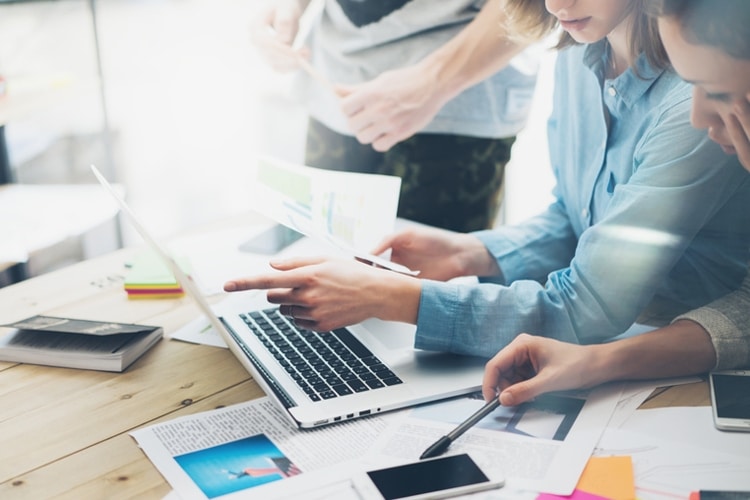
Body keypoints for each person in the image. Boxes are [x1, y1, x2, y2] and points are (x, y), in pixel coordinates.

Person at [225, 0, 750, 361]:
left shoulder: (694, 101)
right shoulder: (580, 47)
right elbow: (579, 218)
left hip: (673, 350)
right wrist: (471, 254)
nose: (556, 3)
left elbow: (587, 309)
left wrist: (395, 299)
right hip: (616, 342)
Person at [482, 0, 750, 408]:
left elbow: (588, 304)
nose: (697, 116)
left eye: (713, 90)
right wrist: (596, 362)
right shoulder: (581, 56)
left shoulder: (683, 112)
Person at [251, 0, 538, 232]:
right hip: (333, 89)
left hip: (453, 115)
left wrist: (433, 81)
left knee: (425, 292)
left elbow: (535, 6)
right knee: (319, 270)